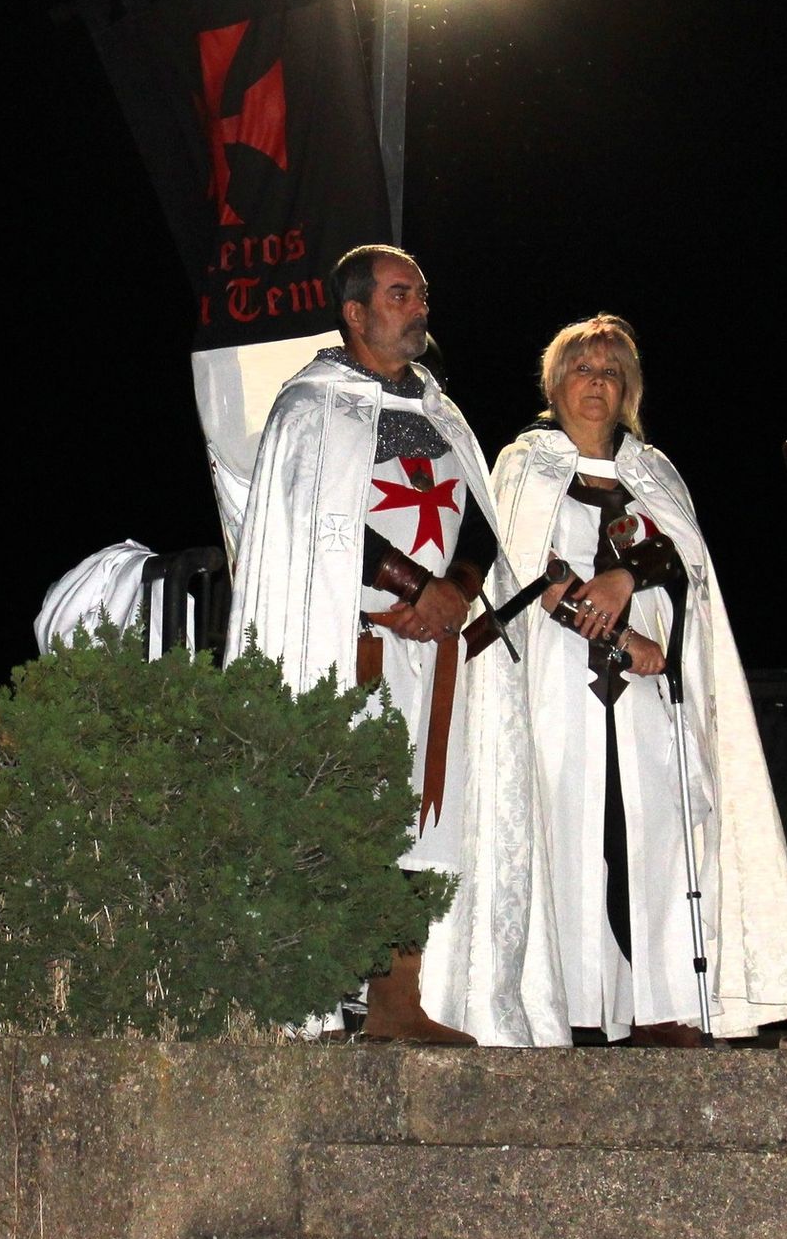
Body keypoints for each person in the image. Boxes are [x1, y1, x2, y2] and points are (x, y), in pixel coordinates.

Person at [226, 244, 568, 1048]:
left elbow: (476, 518)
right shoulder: (310, 409)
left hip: (434, 654)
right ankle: (318, 1000)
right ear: (355, 312)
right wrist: (417, 590)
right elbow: (322, 522)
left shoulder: (441, 412)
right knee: (347, 812)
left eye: (421, 293)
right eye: (399, 294)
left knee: (423, 821)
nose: (419, 307)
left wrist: (457, 589)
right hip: (350, 649)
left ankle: (397, 1000)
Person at [491, 316, 787, 1045]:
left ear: (629, 391)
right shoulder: (524, 466)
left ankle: (664, 1001)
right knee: (563, 829)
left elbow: (688, 568)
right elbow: (527, 570)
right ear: (555, 383)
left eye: (611, 373)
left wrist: (629, 579)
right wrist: (616, 628)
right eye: (583, 369)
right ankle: (571, 1008)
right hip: (556, 689)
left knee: (657, 835)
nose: (596, 384)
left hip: (649, 696)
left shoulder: (652, 473)